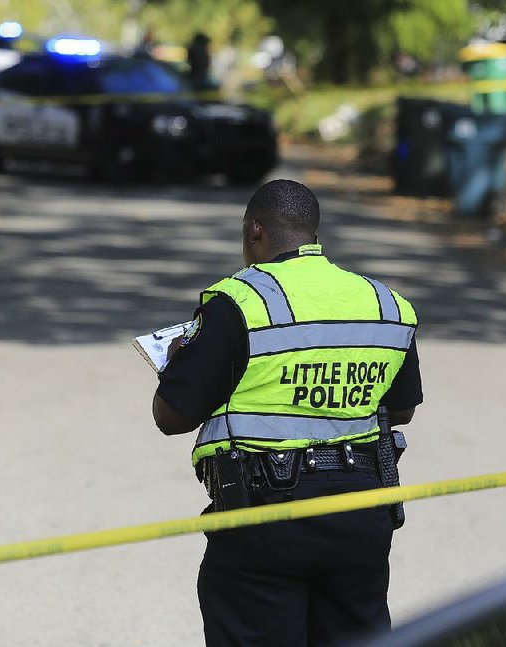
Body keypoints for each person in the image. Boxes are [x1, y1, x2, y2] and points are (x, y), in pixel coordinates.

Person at [152, 179, 423, 646]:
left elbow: (171, 416)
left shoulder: (239, 301)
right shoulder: (386, 303)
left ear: (255, 231)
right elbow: (400, 410)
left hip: (264, 519)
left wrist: (179, 364)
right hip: (360, 514)